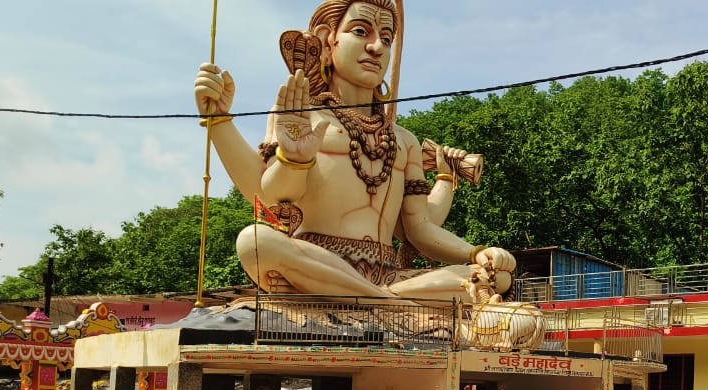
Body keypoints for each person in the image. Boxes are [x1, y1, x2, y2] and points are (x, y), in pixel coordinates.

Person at [193, 0, 519, 302]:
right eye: (361, 32)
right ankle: (387, 303)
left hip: (387, 275)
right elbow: (272, 196)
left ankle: (364, 297)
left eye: (387, 38)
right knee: (255, 242)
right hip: (318, 260)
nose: (377, 47)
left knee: (496, 277)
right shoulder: (302, 116)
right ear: (326, 40)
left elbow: (420, 228)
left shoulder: (403, 140)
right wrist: (286, 154)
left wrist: (476, 253)